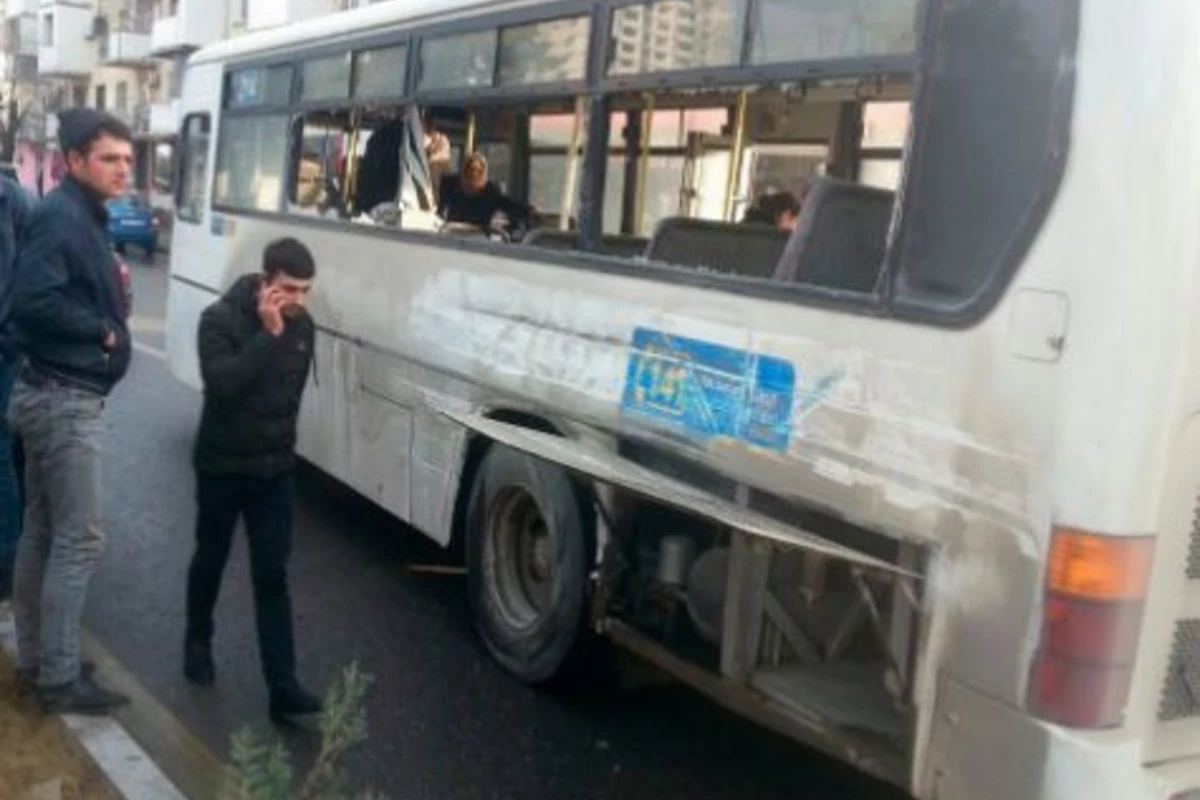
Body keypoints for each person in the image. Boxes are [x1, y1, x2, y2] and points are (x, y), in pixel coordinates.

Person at [7, 109, 134, 714]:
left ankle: (37, 659)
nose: (122, 169)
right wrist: (102, 333)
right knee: (79, 540)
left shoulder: (78, 215)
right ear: (75, 161)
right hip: (63, 400)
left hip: (47, 393)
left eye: (127, 159)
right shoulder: (63, 218)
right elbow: (29, 302)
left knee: (43, 533)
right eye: (109, 158)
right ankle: (58, 677)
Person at [183, 238, 321, 723]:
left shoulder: (306, 328)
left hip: (273, 474)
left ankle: (283, 688)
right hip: (222, 467)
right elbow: (224, 385)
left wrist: (282, 458)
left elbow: (287, 401)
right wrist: (268, 333)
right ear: (265, 282)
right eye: (288, 289)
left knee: (272, 575)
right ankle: (197, 640)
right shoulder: (217, 320)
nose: (298, 302)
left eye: (305, 291)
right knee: (212, 558)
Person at [0, 169, 32, 606]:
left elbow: (36, 272)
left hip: (5, 351)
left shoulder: (16, 202)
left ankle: (7, 561)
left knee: (1, 453)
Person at [438, 153, 532, 231]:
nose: (473, 174)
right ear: (464, 170)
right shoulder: (450, 185)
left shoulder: (490, 192)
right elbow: (439, 207)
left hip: (478, 234)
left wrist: (530, 212)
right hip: (451, 233)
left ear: (483, 173)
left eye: (478, 171)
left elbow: (509, 205)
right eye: (470, 169)